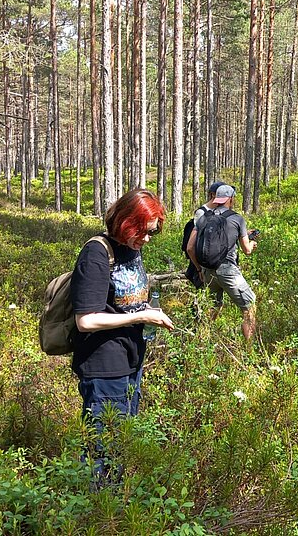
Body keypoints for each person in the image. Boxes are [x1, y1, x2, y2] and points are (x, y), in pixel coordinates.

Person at [70, 188, 174, 482]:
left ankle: (115, 498)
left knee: (122, 437)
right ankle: (97, 503)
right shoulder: (96, 254)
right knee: (103, 442)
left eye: (152, 233)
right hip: (104, 366)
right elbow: (85, 320)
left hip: (131, 360)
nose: (147, 239)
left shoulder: (133, 248)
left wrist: (146, 308)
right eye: (143, 232)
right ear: (127, 223)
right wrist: (141, 315)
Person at [187, 184, 258, 341]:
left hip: (207, 271)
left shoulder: (203, 218)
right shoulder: (237, 219)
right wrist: (252, 244)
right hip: (228, 271)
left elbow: (190, 247)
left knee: (213, 305)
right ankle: (250, 350)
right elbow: (246, 250)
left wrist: (199, 269)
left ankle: (202, 341)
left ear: (216, 198)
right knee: (249, 306)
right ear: (231, 199)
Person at [183, 181, 226, 288]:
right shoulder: (201, 213)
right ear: (213, 194)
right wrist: (198, 268)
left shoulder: (221, 211)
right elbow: (193, 244)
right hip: (203, 259)